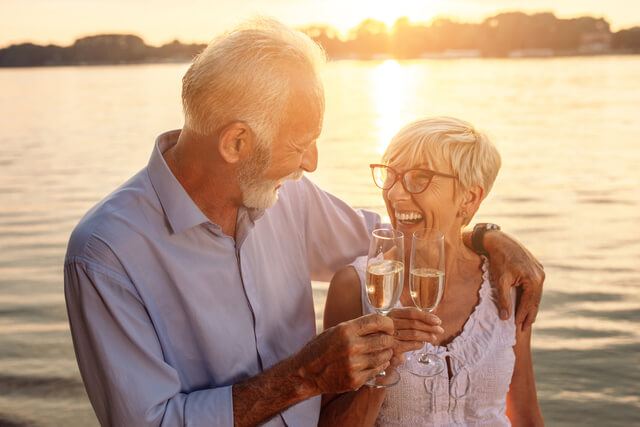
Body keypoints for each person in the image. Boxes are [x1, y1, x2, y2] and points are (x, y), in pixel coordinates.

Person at [64, 19, 544, 427]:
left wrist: (487, 236)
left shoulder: (288, 195)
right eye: (301, 144)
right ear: (236, 144)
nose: (311, 163)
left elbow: (406, 237)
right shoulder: (106, 254)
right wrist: (305, 376)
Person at [322, 117, 545, 426]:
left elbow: (525, 414)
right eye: (392, 176)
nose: (395, 195)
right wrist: (384, 361)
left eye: (419, 178)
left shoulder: (508, 284)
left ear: (469, 197)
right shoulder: (354, 286)